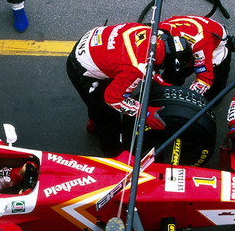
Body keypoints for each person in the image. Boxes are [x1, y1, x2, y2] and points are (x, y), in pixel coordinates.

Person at [67, 23, 194, 155]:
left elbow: (145, 62)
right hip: (81, 67)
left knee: (100, 101)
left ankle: (93, 124)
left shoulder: (153, 34)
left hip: (95, 45)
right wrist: (145, 113)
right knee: (109, 119)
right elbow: (112, 99)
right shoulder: (135, 69)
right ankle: (114, 156)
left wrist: (160, 81)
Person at [159, 15, 235, 100]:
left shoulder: (200, 45)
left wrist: (187, 100)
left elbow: (205, 79)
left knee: (213, 95)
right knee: (170, 77)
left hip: (214, 45)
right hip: (190, 29)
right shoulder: (157, 32)